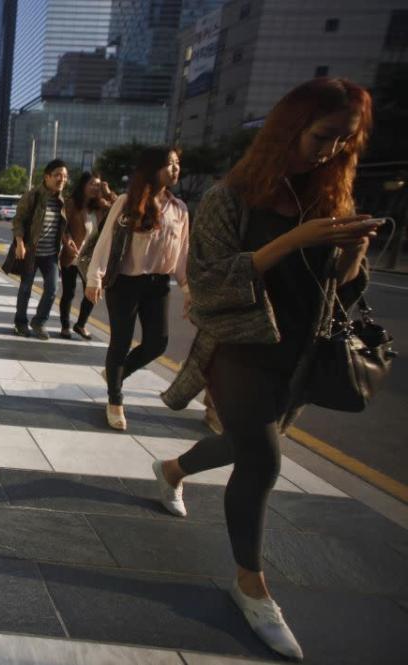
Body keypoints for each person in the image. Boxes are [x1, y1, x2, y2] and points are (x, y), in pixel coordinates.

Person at [157, 78, 377, 661]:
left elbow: (337, 291)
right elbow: (205, 281)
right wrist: (290, 241)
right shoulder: (232, 196)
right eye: (322, 136)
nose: (330, 151)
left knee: (244, 446)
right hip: (241, 350)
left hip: (302, 354)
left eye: (345, 142)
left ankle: (173, 469)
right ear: (290, 128)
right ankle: (251, 587)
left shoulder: (333, 194)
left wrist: (353, 259)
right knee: (264, 460)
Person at [85, 147, 189, 431]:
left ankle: (116, 374)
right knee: (121, 340)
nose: (176, 169)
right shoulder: (126, 202)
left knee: (158, 343)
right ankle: (115, 399)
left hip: (159, 284)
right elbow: (106, 240)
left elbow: (181, 253)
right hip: (126, 283)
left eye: (178, 164)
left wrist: (187, 287)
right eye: (170, 164)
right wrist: (95, 277)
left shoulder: (179, 208)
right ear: (153, 168)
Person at [12, 159, 69, 340]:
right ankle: (21, 323)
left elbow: (60, 226)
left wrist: (68, 241)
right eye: (58, 175)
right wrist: (20, 243)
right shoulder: (33, 195)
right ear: (47, 177)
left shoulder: (61, 200)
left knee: (52, 288)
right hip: (31, 251)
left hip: (51, 253)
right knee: (26, 288)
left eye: (65, 176)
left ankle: (39, 322)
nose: (62, 179)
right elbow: (18, 220)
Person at [59, 172, 117, 339]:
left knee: (92, 293)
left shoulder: (101, 205)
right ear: (83, 185)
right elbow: (63, 227)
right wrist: (67, 241)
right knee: (68, 293)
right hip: (72, 254)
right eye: (92, 184)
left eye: (97, 185)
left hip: (90, 258)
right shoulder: (70, 204)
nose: (94, 188)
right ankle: (65, 326)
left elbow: (122, 207)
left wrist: (108, 192)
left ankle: (81, 324)